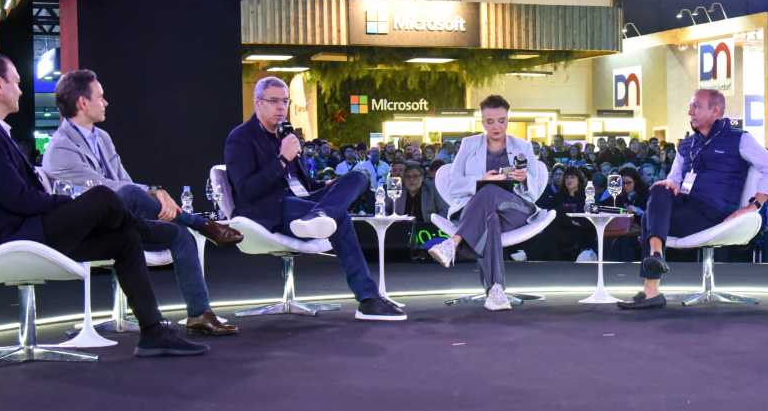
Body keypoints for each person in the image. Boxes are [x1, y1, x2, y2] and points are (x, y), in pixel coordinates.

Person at [0, 52, 207, 356]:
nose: (21, 91)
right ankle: (156, 230)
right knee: (102, 197)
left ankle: (153, 333)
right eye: (16, 82)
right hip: (10, 236)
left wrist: (73, 208)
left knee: (125, 238)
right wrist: (69, 204)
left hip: (24, 229)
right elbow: (18, 199)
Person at [43, 69, 242, 336]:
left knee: (180, 234)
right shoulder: (60, 147)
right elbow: (104, 189)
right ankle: (203, 224)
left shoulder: (102, 138)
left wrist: (152, 194)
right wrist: (153, 191)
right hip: (89, 227)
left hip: (122, 217)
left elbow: (124, 180)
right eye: (100, 97)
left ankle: (199, 314)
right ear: (82, 103)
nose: (106, 102)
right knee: (131, 193)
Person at [225, 76, 405, 321]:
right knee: (340, 216)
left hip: (303, 203)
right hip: (270, 208)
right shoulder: (241, 138)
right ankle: (368, 299)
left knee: (359, 176)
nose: (281, 107)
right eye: (274, 101)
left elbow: (303, 185)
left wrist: (328, 187)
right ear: (258, 103)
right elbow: (247, 190)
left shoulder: (286, 135)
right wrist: (282, 159)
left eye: (285, 101)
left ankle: (320, 214)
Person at [618, 89, 768, 310]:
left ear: (716, 110)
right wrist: (671, 183)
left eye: (696, 106)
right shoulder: (687, 145)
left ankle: (651, 289)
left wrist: (753, 206)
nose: (690, 112)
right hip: (686, 207)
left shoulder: (739, 139)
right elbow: (674, 178)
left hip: (714, 212)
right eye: (690, 107)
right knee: (659, 189)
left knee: (649, 217)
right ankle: (656, 255)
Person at [426, 94, 547, 311]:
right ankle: (496, 290)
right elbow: (454, 186)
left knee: (490, 191)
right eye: (490, 121)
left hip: (515, 210)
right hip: (478, 211)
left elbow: (536, 190)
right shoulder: (469, 144)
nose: (496, 126)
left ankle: (453, 242)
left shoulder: (523, 146)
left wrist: (524, 178)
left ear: (507, 120)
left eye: (501, 120)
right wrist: (480, 180)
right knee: (490, 218)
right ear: (482, 122)